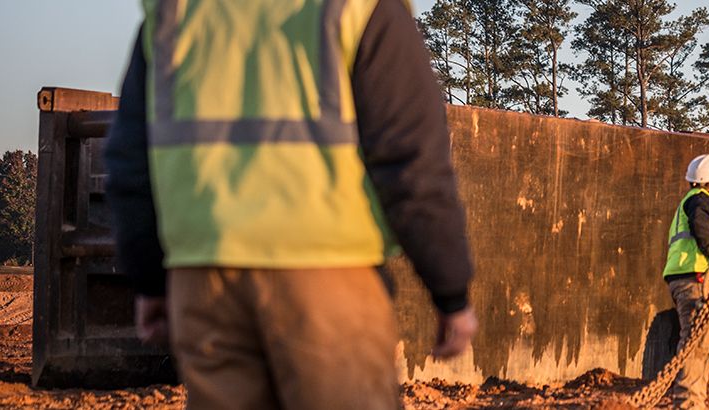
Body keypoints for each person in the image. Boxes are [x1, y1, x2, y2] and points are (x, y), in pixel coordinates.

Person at [103, 1, 476, 408]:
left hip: (205, 280)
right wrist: (449, 291)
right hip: (327, 279)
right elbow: (413, 159)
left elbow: (129, 161)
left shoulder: (176, 10)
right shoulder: (360, 6)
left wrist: (150, 280)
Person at [661, 154, 709, 409]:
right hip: (694, 280)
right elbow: (700, 228)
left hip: (701, 280)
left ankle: (696, 400)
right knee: (696, 343)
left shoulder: (701, 201)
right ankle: (686, 403)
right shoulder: (700, 201)